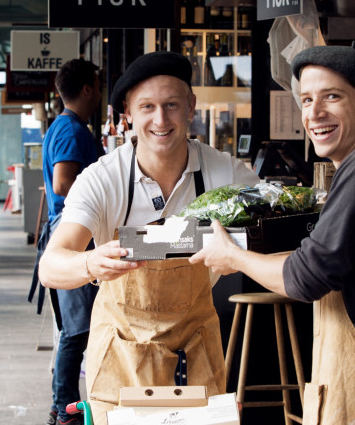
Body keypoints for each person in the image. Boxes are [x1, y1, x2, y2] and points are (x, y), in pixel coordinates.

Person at [190, 45, 355, 425]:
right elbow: (317, 263)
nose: (314, 114)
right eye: (306, 100)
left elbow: (306, 277)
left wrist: (232, 256)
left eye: (331, 97)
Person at [38, 51, 260, 425]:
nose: (161, 119)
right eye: (147, 106)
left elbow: (273, 227)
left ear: (191, 106)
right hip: (122, 354)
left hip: (197, 350)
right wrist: (91, 262)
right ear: (128, 111)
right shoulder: (102, 179)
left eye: (172, 105)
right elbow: (51, 265)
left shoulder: (224, 172)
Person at [29, 59, 104, 425]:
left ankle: (64, 407)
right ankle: (65, 411)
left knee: (75, 329)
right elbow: (61, 183)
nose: (101, 93)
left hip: (68, 232)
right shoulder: (73, 130)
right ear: (88, 88)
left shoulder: (65, 126)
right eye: (99, 86)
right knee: (77, 330)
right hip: (73, 234)